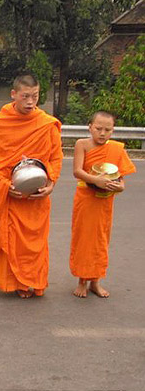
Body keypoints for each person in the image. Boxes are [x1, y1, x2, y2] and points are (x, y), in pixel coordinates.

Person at [0, 72, 63, 298]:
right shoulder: (0, 123)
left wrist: (51, 182)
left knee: (33, 242)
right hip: (9, 191)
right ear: (13, 95)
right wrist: (4, 185)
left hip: (36, 194)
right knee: (3, 236)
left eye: (34, 97)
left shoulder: (46, 124)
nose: (30, 102)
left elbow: (55, 157)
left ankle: (27, 280)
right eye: (25, 96)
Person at [70, 111, 136, 298]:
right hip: (86, 198)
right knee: (84, 238)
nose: (102, 133)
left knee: (101, 240)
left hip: (105, 200)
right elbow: (77, 171)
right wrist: (95, 180)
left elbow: (120, 177)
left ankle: (96, 281)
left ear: (113, 131)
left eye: (108, 130)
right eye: (98, 128)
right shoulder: (82, 144)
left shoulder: (116, 149)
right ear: (90, 126)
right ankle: (82, 280)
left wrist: (120, 187)